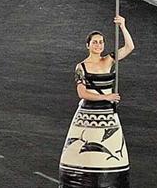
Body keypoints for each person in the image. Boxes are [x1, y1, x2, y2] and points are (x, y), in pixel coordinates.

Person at [58, 16, 135, 187]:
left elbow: (129, 47)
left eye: (101, 42)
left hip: (108, 116)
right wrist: (106, 97)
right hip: (89, 115)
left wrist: (122, 26)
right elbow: (82, 93)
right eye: (95, 42)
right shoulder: (81, 67)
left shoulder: (108, 60)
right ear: (88, 45)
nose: (98, 45)